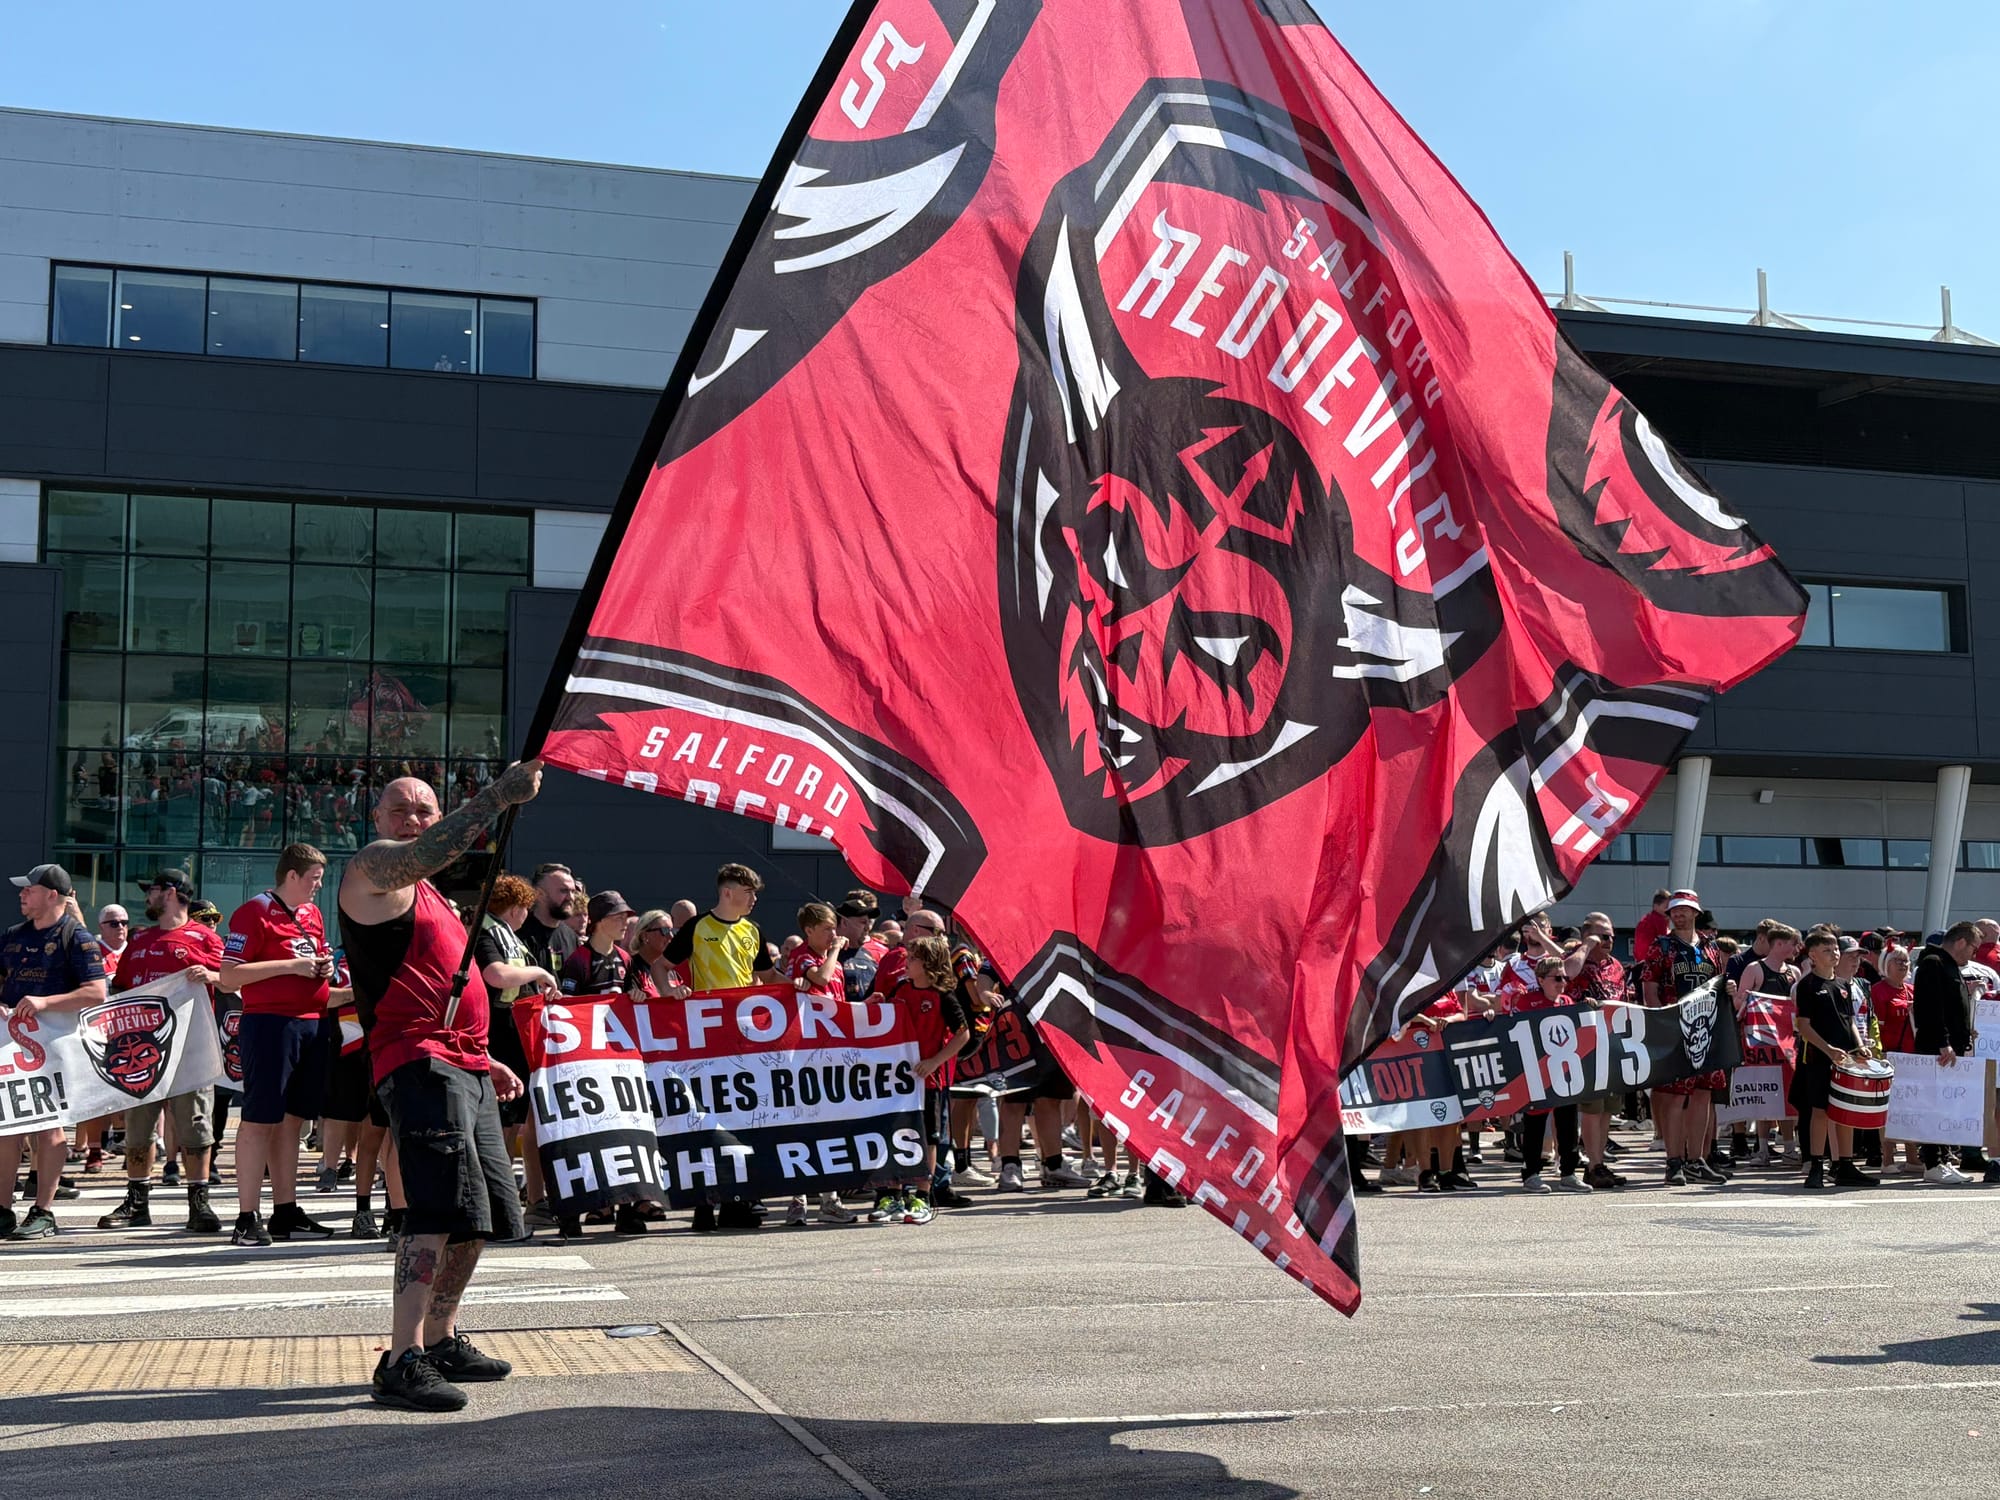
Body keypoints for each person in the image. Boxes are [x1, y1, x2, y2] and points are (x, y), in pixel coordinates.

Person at [338, 764, 543, 1414]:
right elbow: (426, 853)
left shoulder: (438, 900)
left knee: (479, 1214)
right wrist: (492, 800)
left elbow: (457, 986)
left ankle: (441, 1337)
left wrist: (486, 1061)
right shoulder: (372, 870)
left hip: (467, 1066)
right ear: (377, 821)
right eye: (400, 810)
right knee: (431, 1210)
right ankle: (401, 1359)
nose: (414, 820)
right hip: (418, 1061)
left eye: (425, 809)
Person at [218, 843, 341, 1246]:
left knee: (293, 1121)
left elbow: (317, 957)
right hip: (270, 1024)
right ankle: (245, 1216)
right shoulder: (253, 911)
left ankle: (285, 1211)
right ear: (291, 875)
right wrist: (290, 965)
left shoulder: (311, 914)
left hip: (312, 1022)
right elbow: (230, 977)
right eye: (313, 879)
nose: (317, 888)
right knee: (260, 1118)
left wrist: (325, 968)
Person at [96, 870, 224, 1234]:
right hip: (140, 1051)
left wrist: (211, 977)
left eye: (151, 891)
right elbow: (119, 991)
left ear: (170, 893)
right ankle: (137, 1200)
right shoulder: (139, 940)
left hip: (189, 1049)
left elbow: (234, 978)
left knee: (196, 1125)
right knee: (138, 1127)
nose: (147, 898)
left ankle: (199, 1201)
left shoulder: (206, 938)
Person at [0, 865, 107, 1239]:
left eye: (29, 889)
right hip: (14, 1047)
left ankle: (43, 1210)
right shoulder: (13, 935)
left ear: (52, 895)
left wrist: (45, 1002)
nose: (22, 894)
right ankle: (2, 1210)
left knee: (50, 1128)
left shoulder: (76, 937)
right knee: (6, 1128)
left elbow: (97, 991)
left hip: (56, 1048)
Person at [557, 889, 654, 1238]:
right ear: (598, 921)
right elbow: (565, 1011)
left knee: (621, 1133)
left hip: (617, 1062)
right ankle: (572, 1212)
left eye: (626, 916)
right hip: (583, 1064)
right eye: (618, 917)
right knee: (582, 1136)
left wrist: (638, 996)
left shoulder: (626, 959)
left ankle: (627, 1209)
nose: (625, 923)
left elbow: (636, 996)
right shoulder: (577, 961)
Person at [473, 873, 560, 1231]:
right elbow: (495, 975)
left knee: (519, 1120)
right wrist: (538, 971)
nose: (525, 915)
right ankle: (499, 1201)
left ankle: (521, 1198)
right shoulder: (486, 933)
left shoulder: (506, 935)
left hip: (516, 1032)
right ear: (515, 907)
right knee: (502, 1123)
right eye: (524, 908)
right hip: (496, 1032)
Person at [865, 934, 968, 1226]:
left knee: (928, 1137)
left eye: (912, 959)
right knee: (893, 1132)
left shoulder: (943, 995)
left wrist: (935, 1061)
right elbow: (886, 1017)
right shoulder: (900, 988)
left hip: (928, 1080)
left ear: (928, 964)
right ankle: (892, 1194)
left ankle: (922, 1196)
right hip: (897, 1079)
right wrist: (873, 1003)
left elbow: (963, 1033)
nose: (906, 964)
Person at [780, 903, 859, 1226]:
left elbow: (837, 1001)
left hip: (832, 1052)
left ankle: (829, 1199)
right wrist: (836, 950)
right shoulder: (805, 957)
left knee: (831, 1126)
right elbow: (822, 977)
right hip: (805, 1053)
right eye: (827, 929)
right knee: (805, 1124)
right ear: (809, 930)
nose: (833, 935)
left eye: (834, 929)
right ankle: (798, 1200)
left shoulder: (833, 962)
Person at [1642, 889, 1725, 1186]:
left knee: (1703, 1095)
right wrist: (1658, 1022)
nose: (1678, 914)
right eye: (1674, 910)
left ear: (1695, 913)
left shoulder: (1710, 946)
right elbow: (1649, 986)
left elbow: (1718, 982)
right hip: (1676, 1028)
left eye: (1684, 910)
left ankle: (1696, 1159)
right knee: (1676, 1097)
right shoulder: (1661, 946)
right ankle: (1673, 1161)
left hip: (1706, 1027)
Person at [1789, 931, 1876, 1190]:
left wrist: (1860, 1046)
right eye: (1827, 950)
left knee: (1846, 1111)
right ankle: (1816, 1163)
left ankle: (1845, 1164)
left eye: (1835, 949)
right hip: (1818, 1057)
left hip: (1846, 1058)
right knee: (1820, 1110)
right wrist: (1828, 1049)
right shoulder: (1807, 986)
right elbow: (1804, 1026)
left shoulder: (1843, 986)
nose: (1834, 953)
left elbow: (1849, 1020)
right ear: (1812, 955)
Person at [1563, 913, 1629, 1189]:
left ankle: (1599, 1162)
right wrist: (1586, 946)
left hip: (1612, 1042)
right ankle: (1592, 1164)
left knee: (1607, 1110)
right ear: (1587, 934)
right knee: (1592, 1108)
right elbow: (1567, 972)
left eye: (1611, 935)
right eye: (1603, 935)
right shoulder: (1578, 957)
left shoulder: (1615, 965)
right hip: (1586, 1044)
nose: (1609, 940)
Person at [1912, 922, 1978, 1185]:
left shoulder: (1950, 966)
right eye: (1974, 947)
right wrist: (1943, 1042)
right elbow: (1931, 1008)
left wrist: (1965, 1032)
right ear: (1961, 942)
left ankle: (1942, 1158)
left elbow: (1952, 1007)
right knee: (1933, 1104)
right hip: (1936, 1049)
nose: (1974, 954)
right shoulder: (1933, 962)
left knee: (1944, 1106)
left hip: (1951, 1048)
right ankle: (1931, 1161)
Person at [1517, 957, 1590, 1193]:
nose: (1562, 983)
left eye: (1565, 978)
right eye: (1556, 978)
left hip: (1563, 1071)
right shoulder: (1527, 1002)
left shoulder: (1568, 1001)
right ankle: (1531, 1173)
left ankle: (1569, 1172)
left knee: (1568, 1120)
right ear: (1540, 980)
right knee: (1535, 1123)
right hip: (1537, 1073)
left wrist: (1587, 1008)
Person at [665, 864, 783, 990]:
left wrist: (801, 988)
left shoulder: (753, 930)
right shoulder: (696, 926)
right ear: (727, 893)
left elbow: (770, 976)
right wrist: (668, 991)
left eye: (754, 893)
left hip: (741, 1008)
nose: (754, 898)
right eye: (749, 892)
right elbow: (660, 966)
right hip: (709, 1008)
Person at [517, 863, 580, 972]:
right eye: (563, 891)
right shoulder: (518, 934)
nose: (571, 897)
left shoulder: (571, 938)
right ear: (540, 894)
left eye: (573, 891)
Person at [1633, 889, 1672, 967]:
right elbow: (1666, 945)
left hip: (1641, 963)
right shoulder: (1658, 921)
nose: (1669, 910)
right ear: (1656, 905)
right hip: (1653, 965)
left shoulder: (1646, 920)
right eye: (1666, 907)